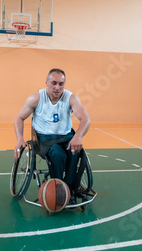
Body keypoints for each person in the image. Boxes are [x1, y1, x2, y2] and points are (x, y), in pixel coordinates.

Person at [14, 68, 91, 197]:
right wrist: (20, 138)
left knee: (74, 152)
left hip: (66, 136)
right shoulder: (36, 98)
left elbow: (86, 119)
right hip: (45, 139)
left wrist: (78, 136)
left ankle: (69, 190)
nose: (57, 87)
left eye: (61, 84)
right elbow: (19, 118)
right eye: (53, 83)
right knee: (57, 154)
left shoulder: (71, 98)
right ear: (46, 83)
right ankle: (58, 190)